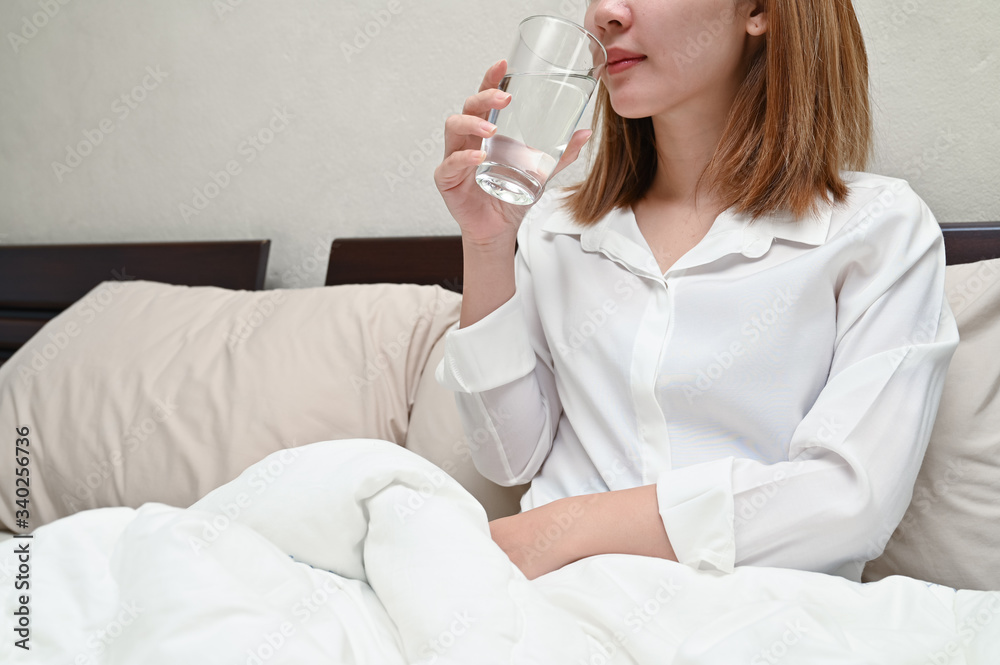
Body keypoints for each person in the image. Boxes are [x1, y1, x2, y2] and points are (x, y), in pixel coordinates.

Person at [431, 0, 960, 583]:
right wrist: (487, 244)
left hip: (751, 615)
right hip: (548, 602)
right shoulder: (554, 223)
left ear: (757, 11)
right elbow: (508, 458)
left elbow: (850, 502)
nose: (606, 12)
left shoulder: (878, 227)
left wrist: (571, 525)